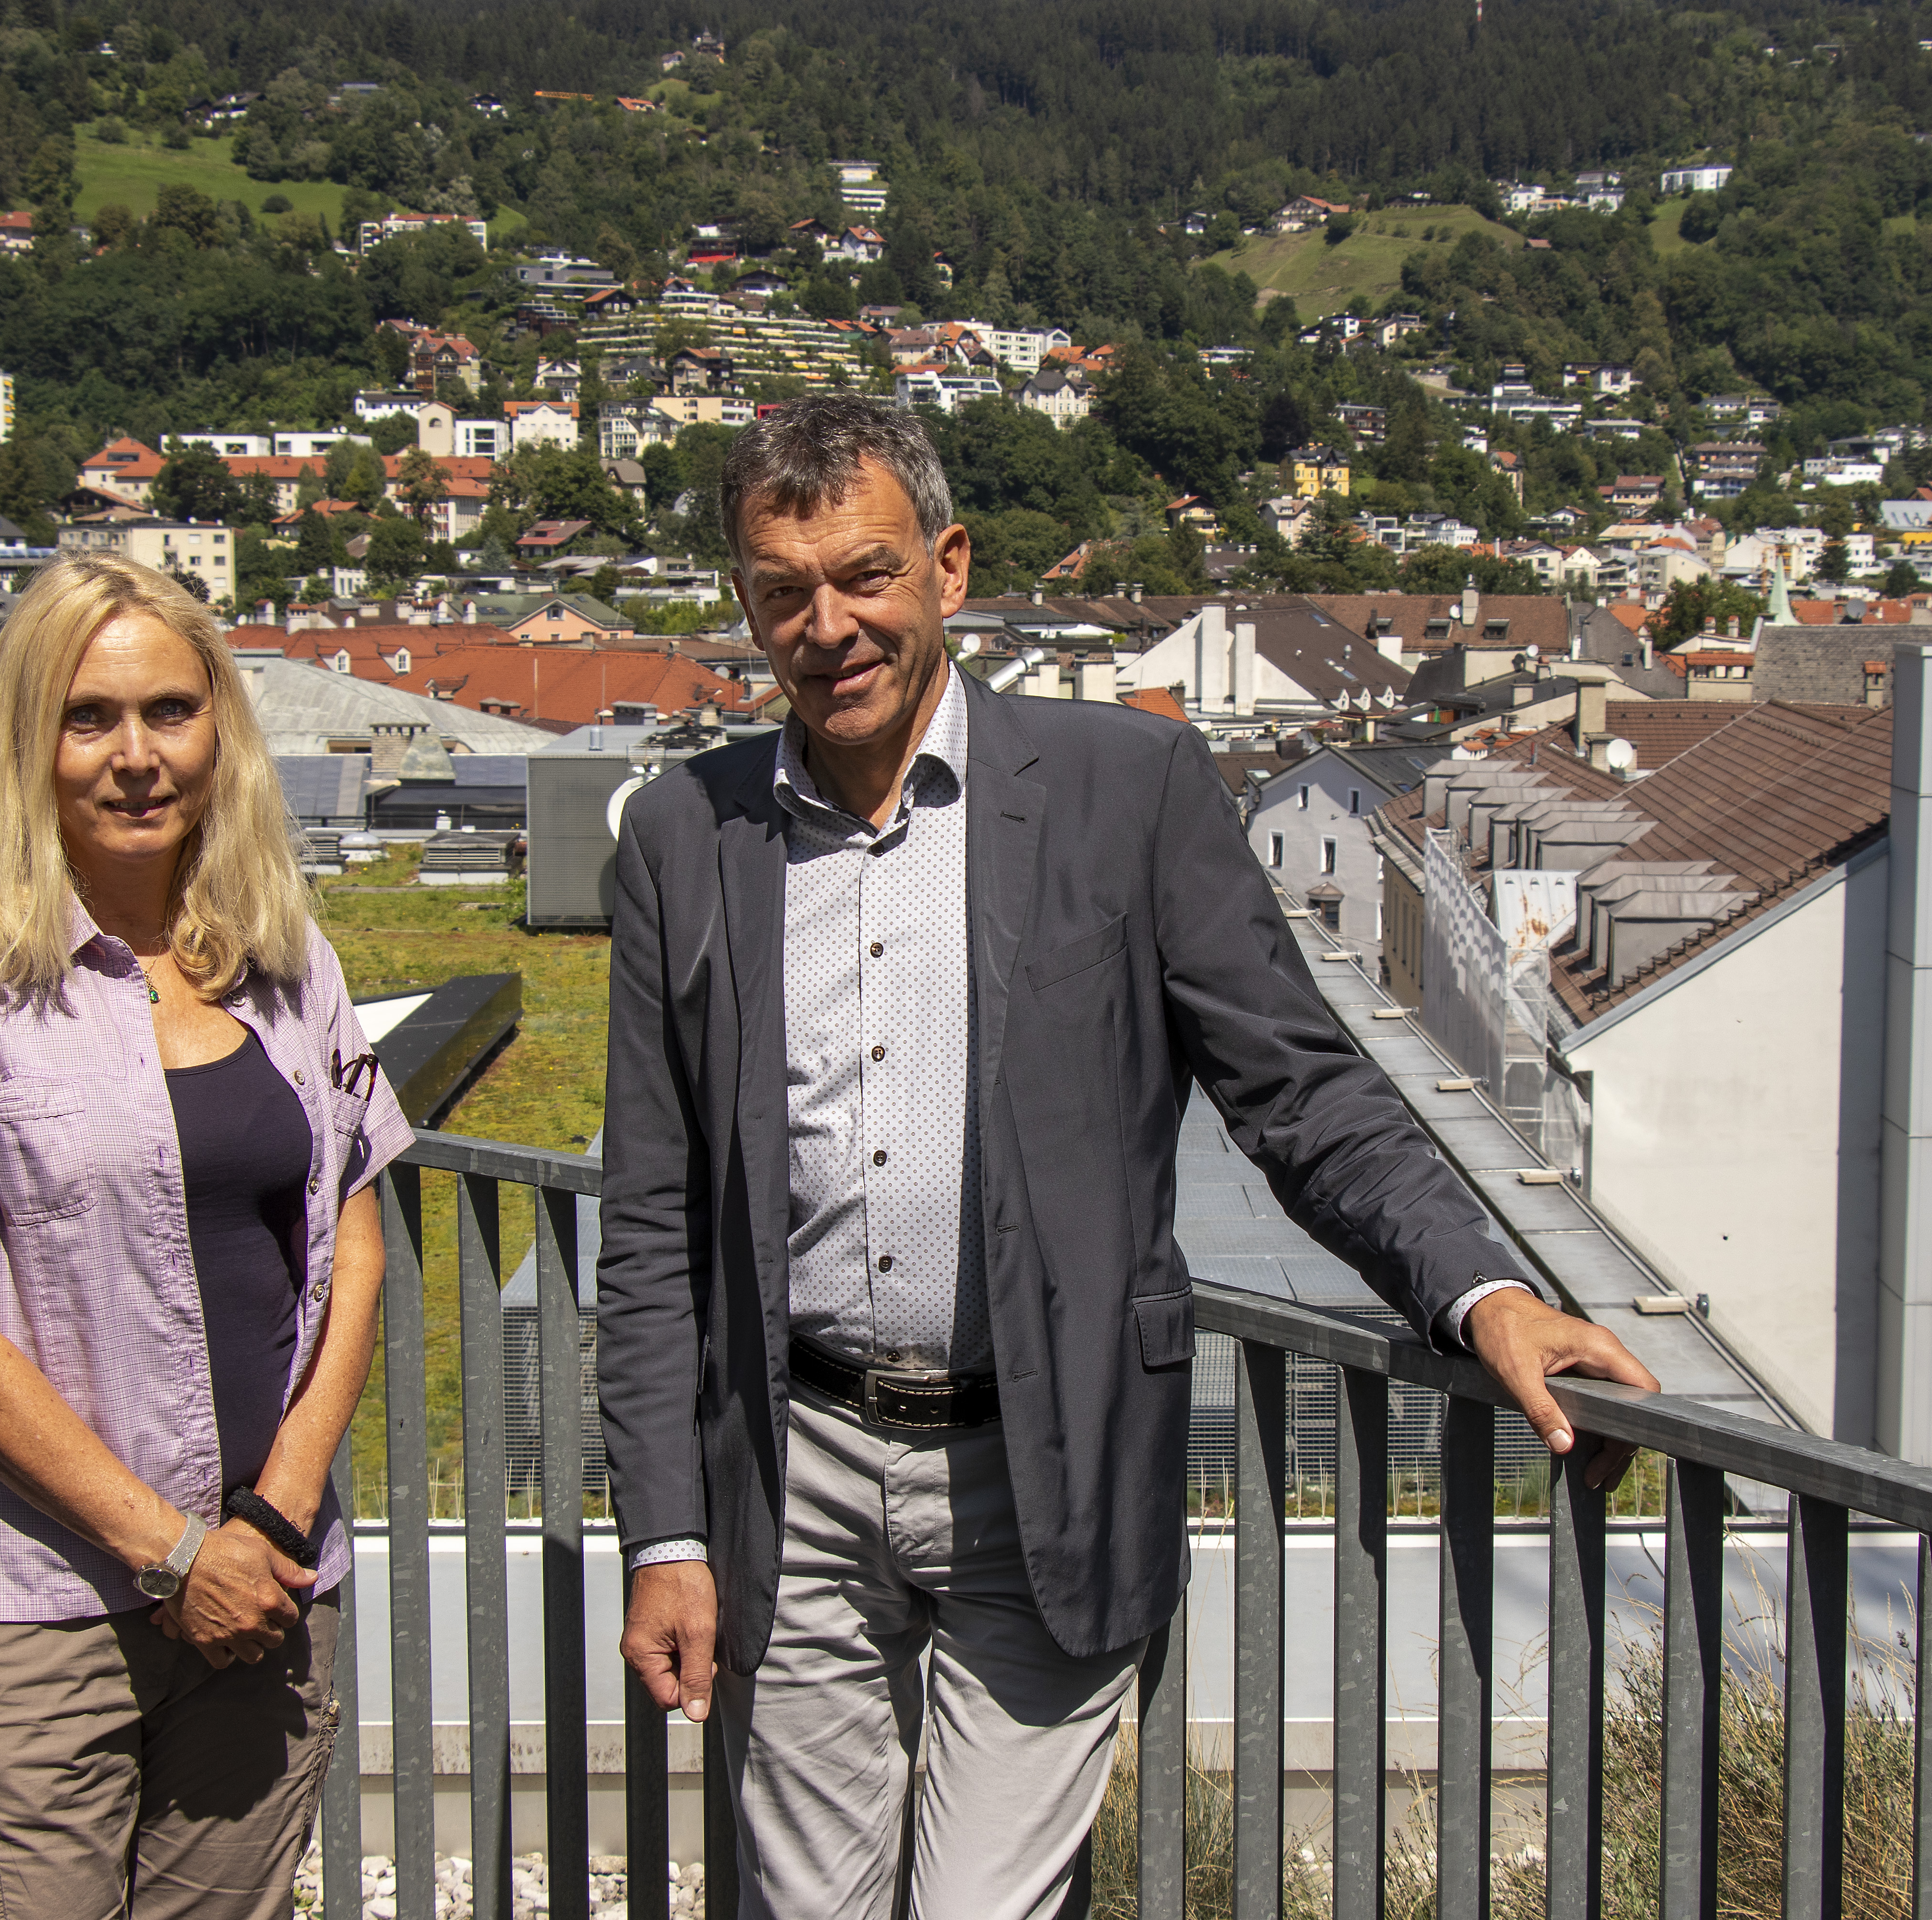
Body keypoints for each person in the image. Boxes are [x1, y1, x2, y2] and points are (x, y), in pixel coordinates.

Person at [597, 396, 1657, 1919]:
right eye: (783, 591)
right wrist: (671, 1533)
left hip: (1046, 1468)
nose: (827, 626)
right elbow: (650, 1215)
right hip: (796, 1469)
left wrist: (1487, 1297)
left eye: (866, 575)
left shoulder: (1128, 793)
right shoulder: (681, 840)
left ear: (950, 569)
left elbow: (1303, 1095)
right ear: (747, 604)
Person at [0, 552, 412, 1920]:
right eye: (89, 718)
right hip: (27, 1615)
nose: (137, 756)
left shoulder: (285, 959)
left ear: (223, 730)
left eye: (170, 712)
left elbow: (357, 1240)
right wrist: (172, 1552)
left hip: (262, 1596)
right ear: (25, 742)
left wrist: (270, 1519)